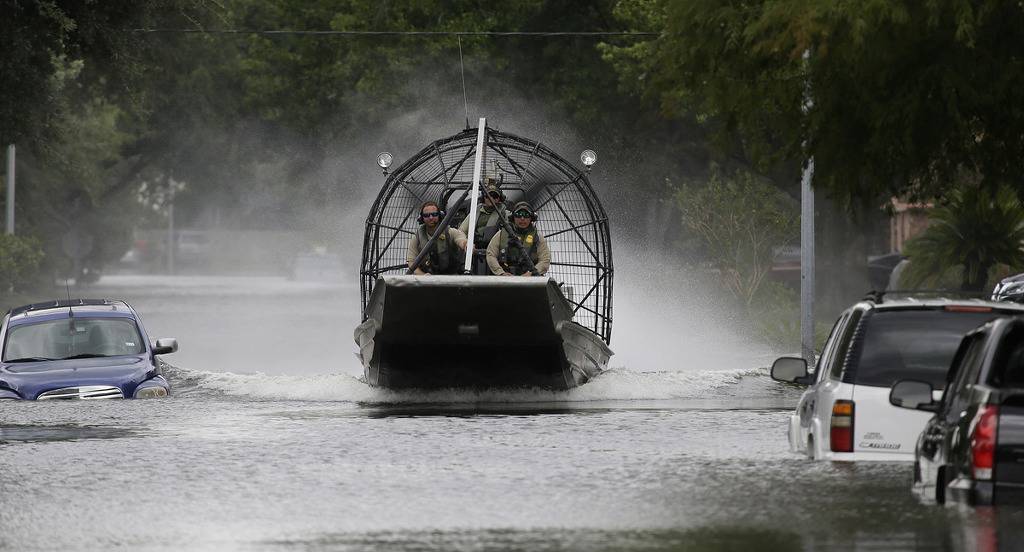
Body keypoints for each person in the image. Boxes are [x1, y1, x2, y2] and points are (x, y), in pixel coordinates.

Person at [486, 201, 550, 276]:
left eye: (526, 215)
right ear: (513, 217)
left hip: (530, 280)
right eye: (518, 215)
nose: (522, 219)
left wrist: (531, 273)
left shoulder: (538, 237)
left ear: (531, 218)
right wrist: (501, 273)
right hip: (504, 279)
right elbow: (491, 254)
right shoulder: (501, 234)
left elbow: (545, 260)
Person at [407, 200, 468, 275]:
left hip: (451, 278)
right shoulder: (417, 238)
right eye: (426, 215)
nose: (431, 218)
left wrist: (465, 244)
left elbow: (460, 239)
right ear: (421, 218)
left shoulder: (450, 232)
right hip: (427, 280)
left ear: (440, 215)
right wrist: (423, 276)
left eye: (434, 214)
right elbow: (411, 262)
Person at [459, 178, 506, 274]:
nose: (491, 198)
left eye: (494, 196)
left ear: (499, 199)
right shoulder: (475, 211)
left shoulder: (505, 213)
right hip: (473, 249)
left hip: (495, 251)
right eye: (488, 196)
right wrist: (466, 243)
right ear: (484, 197)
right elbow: (461, 231)